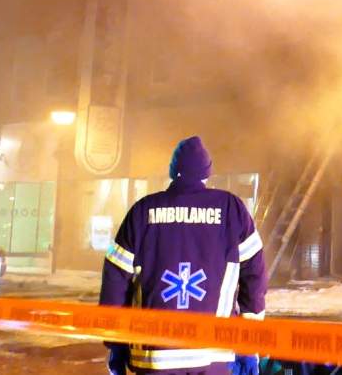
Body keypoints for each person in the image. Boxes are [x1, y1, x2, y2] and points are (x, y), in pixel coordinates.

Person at [100, 136, 266, 375]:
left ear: (172, 171)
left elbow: (115, 280)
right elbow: (255, 277)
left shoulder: (142, 211)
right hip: (215, 353)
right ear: (207, 173)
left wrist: (115, 342)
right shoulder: (231, 210)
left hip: (154, 354)